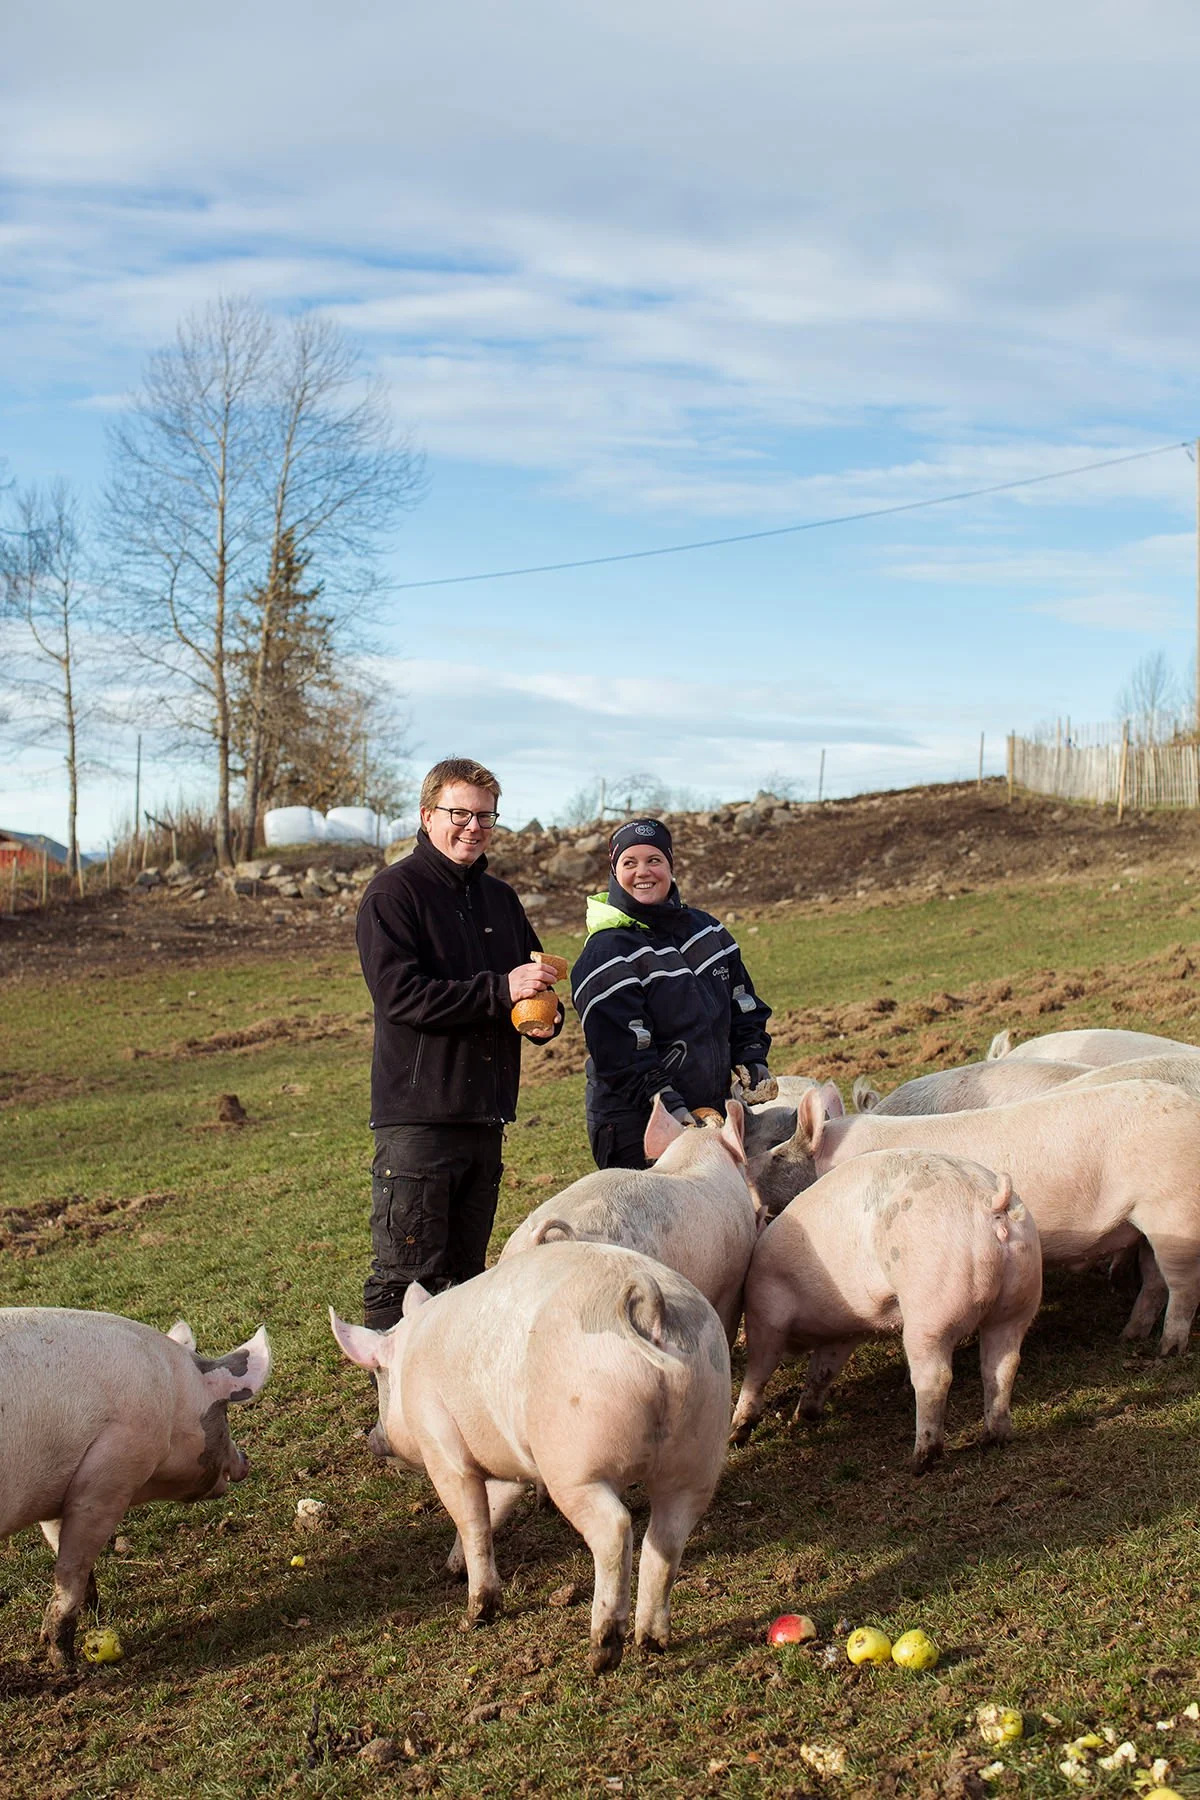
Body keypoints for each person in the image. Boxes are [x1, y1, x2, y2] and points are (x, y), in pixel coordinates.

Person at [355, 757, 561, 1329]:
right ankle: (392, 1413)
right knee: (405, 1277)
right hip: (420, 1119)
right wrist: (500, 990)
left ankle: (448, 1406)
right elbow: (400, 995)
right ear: (427, 815)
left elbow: (530, 983)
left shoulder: (501, 900)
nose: (473, 827)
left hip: (484, 1117)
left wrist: (545, 1017)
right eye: (460, 814)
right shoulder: (394, 895)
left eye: (486, 818)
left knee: (464, 1276)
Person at [570, 817, 774, 1170]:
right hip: (637, 1122)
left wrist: (751, 1057)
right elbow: (621, 1055)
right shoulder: (605, 953)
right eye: (629, 863)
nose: (643, 872)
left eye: (654, 860)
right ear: (614, 871)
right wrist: (670, 1107)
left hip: (709, 1110)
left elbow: (742, 1002)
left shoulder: (707, 930)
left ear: (670, 865)